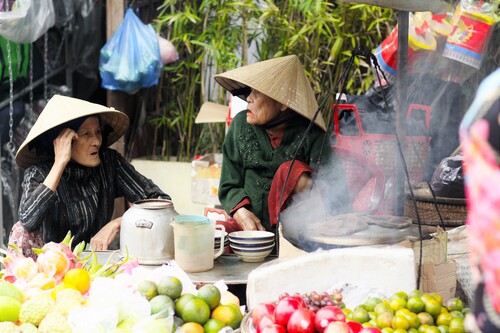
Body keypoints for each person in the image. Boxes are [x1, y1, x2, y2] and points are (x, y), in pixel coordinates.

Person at [10, 95, 171, 257]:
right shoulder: (39, 172)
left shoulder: (110, 163)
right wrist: (59, 163)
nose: (96, 141)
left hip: (95, 261)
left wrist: (117, 223)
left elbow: (161, 200)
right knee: (20, 231)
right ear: (63, 141)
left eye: (98, 132)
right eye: (86, 134)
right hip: (51, 267)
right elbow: (27, 221)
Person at [214, 55, 348, 233]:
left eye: (257, 92)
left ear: (283, 103)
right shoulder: (240, 125)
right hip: (250, 235)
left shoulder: (311, 133)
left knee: (295, 172)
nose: (248, 98)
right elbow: (228, 185)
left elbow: (337, 194)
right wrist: (240, 212)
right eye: (249, 91)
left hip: (297, 235)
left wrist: (305, 186)